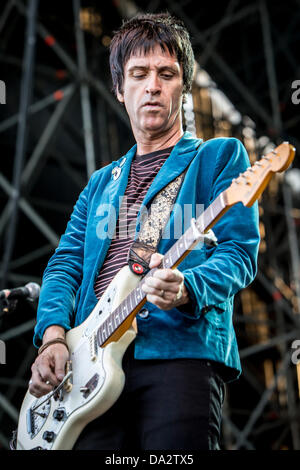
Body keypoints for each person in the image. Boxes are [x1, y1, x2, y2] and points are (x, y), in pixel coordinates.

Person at [28, 13, 260, 450]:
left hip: (178, 353)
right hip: (87, 367)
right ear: (120, 89)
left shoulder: (218, 158)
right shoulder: (99, 184)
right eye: (138, 74)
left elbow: (239, 252)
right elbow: (63, 266)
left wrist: (189, 286)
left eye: (166, 74)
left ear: (183, 87)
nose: (152, 85)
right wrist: (53, 336)